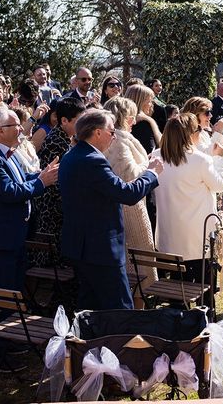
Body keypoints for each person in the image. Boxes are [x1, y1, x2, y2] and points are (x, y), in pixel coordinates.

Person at [59, 109, 161, 310]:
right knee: (121, 308)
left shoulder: (72, 156)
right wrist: (151, 173)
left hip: (81, 246)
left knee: (90, 307)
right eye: (111, 131)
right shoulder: (92, 160)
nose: (114, 137)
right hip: (99, 248)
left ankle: (90, 342)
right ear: (97, 132)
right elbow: (127, 194)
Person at [153, 113, 223, 284]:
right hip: (197, 235)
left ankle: (177, 308)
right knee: (203, 283)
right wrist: (218, 158)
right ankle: (205, 309)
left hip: (169, 233)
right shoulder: (200, 160)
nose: (200, 133)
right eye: (198, 129)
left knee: (177, 284)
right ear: (190, 134)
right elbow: (219, 185)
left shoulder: (156, 156)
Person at [103, 97, 158, 306]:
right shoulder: (118, 142)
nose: (134, 121)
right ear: (123, 118)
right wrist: (151, 165)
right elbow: (130, 174)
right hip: (129, 207)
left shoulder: (117, 138)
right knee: (138, 265)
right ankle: (135, 314)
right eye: (131, 117)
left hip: (126, 203)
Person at [0, 108, 59, 292]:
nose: (21, 129)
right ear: (0, 130)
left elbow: (21, 179)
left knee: (15, 289)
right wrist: (41, 183)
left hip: (16, 237)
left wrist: (42, 175)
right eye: (15, 125)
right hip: (4, 241)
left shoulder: (10, 153)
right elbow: (8, 191)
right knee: (6, 293)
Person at [32, 97, 86, 267]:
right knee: (51, 258)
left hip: (58, 207)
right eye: (78, 121)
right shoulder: (58, 142)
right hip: (52, 208)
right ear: (64, 120)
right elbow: (58, 181)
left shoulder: (66, 138)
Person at [125, 84, 162, 154]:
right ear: (141, 102)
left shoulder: (122, 121)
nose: (151, 105)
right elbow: (150, 152)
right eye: (149, 101)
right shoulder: (143, 123)